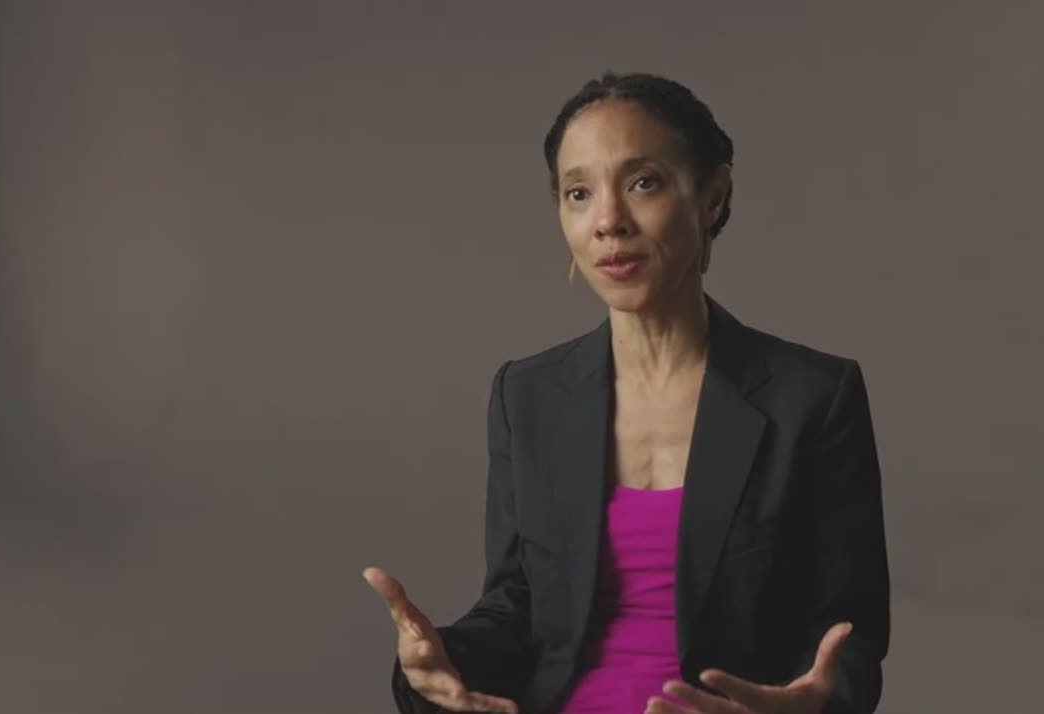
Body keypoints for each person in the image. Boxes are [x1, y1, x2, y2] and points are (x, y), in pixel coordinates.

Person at [363, 71, 890, 714]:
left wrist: (817, 701)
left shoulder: (812, 398)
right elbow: (516, 607)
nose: (608, 222)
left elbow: (848, 640)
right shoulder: (527, 396)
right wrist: (441, 661)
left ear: (713, 196)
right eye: (578, 193)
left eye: (644, 183)